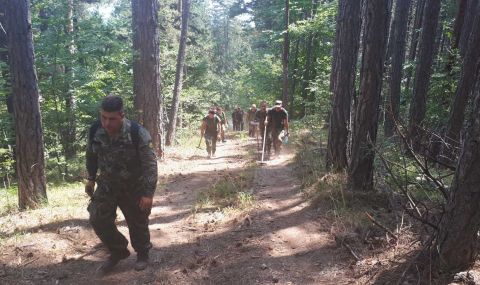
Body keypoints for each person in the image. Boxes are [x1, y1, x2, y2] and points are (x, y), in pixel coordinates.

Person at [85, 95, 158, 274]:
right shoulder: (96, 129)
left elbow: (150, 165)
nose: (106, 123)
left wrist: (148, 194)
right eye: (103, 117)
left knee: (137, 221)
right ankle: (118, 250)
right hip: (108, 184)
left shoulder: (137, 133)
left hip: (134, 186)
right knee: (97, 217)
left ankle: (142, 253)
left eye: (112, 119)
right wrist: (91, 177)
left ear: (122, 115)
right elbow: (91, 155)